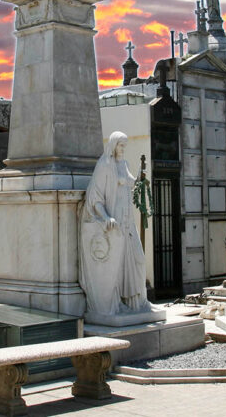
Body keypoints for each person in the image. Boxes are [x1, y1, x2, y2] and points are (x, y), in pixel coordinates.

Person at [79, 132, 149, 318]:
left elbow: (132, 182)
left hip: (128, 222)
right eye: (120, 146)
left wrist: (141, 181)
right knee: (116, 267)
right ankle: (117, 303)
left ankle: (136, 300)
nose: (123, 149)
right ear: (113, 145)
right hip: (114, 223)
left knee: (138, 260)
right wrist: (106, 217)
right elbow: (95, 198)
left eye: (125, 146)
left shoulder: (124, 165)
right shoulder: (104, 166)